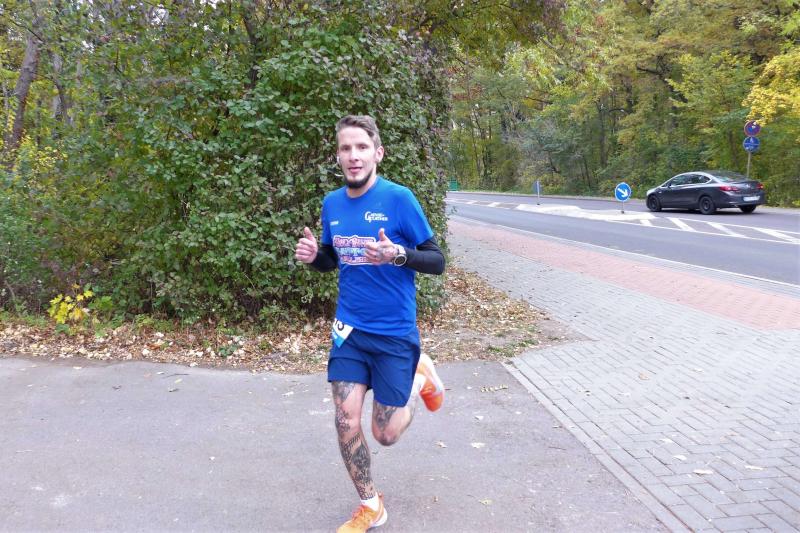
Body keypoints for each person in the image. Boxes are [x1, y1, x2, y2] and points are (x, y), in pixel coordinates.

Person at [295, 114, 446, 532]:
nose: (353, 156)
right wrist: (316, 258)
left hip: (394, 332)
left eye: (361, 147)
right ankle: (370, 505)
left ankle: (420, 377)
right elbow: (332, 257)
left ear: (377, 153)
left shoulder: (399, 199)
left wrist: (398, 254)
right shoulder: (332, 204)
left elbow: (436, 260)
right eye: (345, 148)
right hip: (350, 332)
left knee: (385, 433)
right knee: (345, 419)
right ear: (338, 156)